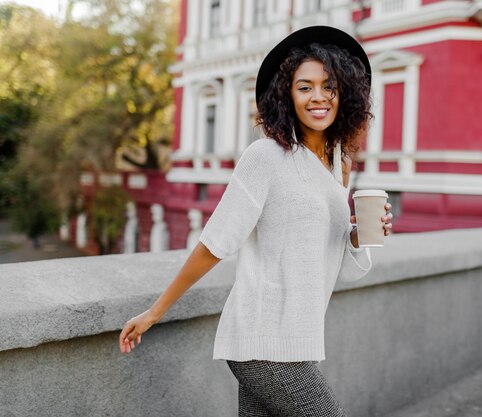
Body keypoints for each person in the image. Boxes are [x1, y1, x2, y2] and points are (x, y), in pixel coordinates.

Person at [119, 25, 393, 416]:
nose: (318, 96)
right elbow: (216, 241)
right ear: (287, 95)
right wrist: (155, 312)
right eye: (305, 86)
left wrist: (356, 235)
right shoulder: (266, 156)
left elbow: (338, 269)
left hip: (296, 340)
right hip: (262, 340)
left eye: (328, 85)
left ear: (345, 92)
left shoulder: (336, 166)